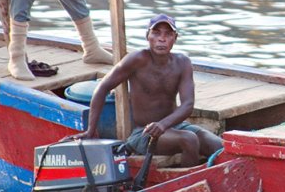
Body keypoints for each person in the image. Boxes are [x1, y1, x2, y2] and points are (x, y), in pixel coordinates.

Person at [78, 14, 222, 167]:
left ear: (175, 38)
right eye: (156, 33)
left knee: (220, 145)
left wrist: (163, 124)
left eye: (168, 34)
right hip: (144, 133)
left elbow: (188, 104)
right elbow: (102, 88)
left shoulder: (183, 62)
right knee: (189, 139)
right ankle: (189, 185)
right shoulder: (137, 59)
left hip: (174, 126)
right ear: (148, 36)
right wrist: (90, 130)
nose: (162, 38)